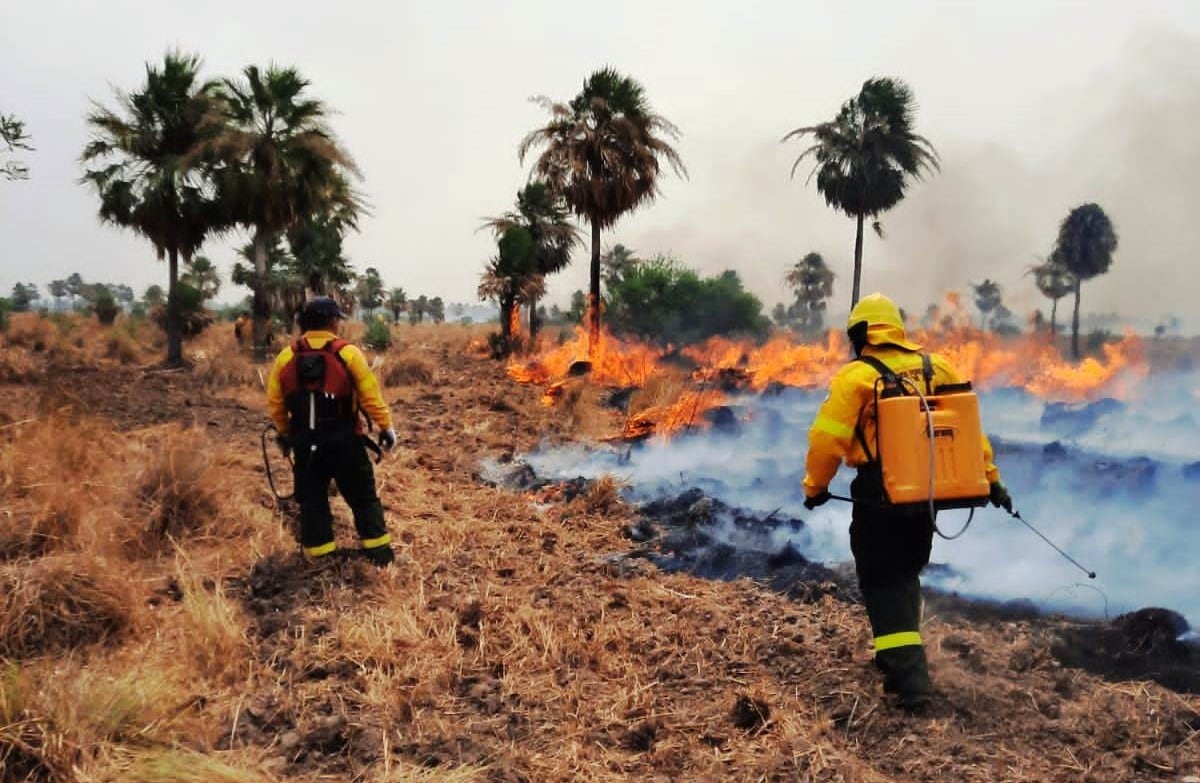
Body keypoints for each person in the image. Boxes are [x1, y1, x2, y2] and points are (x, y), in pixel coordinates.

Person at [801, 293, 1012, 710]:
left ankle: (909, 684)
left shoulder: (858, 376)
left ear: (860, 334)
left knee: (882, 581)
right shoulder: (940, 367)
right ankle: (894, 658)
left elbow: (827, 440)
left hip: (882, 496)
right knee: (904, 575)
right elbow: (970, 433)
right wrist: (992, 480)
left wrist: (815, 488)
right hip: (929, 496)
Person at [266, 297, 399, 566]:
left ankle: (320, 562)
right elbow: (370, 396)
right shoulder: (348, 353)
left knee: (312, 501)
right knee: (363, 499)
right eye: (337, 319)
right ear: (332, 321)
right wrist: (386, 426)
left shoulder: (286, 356)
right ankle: (380, 558)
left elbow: (275, 404)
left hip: (305, 443)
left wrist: (286, 434)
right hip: (345, 441)